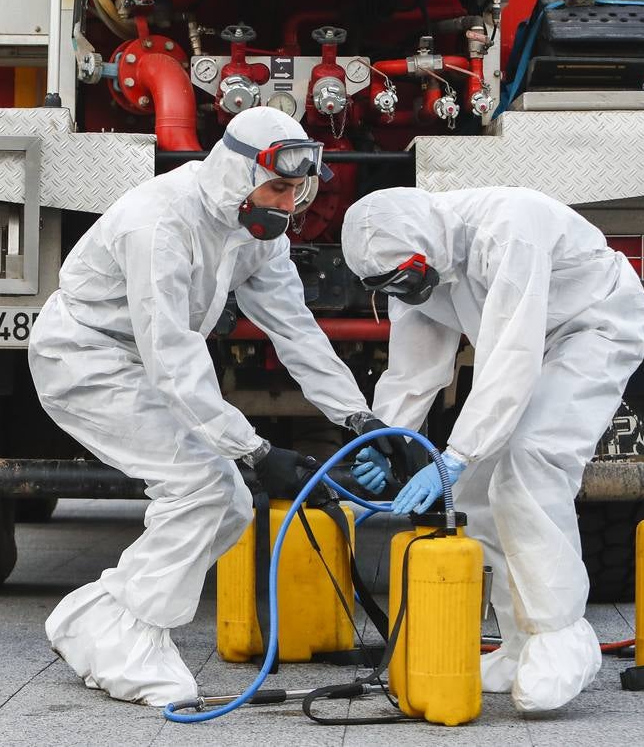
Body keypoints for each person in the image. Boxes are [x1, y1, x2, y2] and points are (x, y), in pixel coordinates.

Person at [28, 106, 401, 707]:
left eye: (296, 190)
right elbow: (172, 355)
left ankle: (100, 618)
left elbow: (296, 330)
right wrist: (257, 450)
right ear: (234, 171)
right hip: (86, 358)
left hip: (142, 363)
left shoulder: (250, 229)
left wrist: (359, 418)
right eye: (278, 186)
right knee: (201, 488)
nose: (286, 203)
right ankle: (134, 642)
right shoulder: (159, 222)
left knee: (228, 504)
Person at [341, 186, 644, 713]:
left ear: (427, 244)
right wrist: (383, 441)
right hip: (523, 343)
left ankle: (562, 637)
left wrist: (455, 454)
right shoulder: (412, 265)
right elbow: (414, 368)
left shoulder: (510, 225)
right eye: (395, 286)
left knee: (531, 459)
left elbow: (513, 355)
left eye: (411, 277)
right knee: (476, 489)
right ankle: (519, 643)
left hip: (593, 328)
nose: (409, 291)